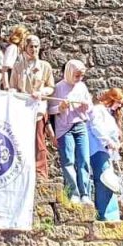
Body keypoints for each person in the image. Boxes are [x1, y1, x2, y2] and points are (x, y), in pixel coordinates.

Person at [10, 34, 55, 177]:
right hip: (22, 109)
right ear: (25, 47)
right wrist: (14, 93)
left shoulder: (45, 66)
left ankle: (40, 174)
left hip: (38, 109)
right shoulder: (18, 66)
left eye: (36, 46)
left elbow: (51, 87)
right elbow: (12, 86)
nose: (34, 49)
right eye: (31, 46)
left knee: (38, 141)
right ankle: (22, 172)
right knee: (21, 140)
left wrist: (41, 92)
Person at [86, 88, 123, 221]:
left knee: (108, 180)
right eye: (118, 102)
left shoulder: (108, 114)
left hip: (106, 152)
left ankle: (110, 214)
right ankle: (105, 214)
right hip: (98, 149)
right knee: (104, 180)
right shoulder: (98, 110)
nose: (119, 106)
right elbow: (96, 127)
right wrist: (109, 142)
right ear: (111, 99)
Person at [51, 60, 93, 205]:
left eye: (82, 76)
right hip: (64, 128)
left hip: (80, 125)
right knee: (68, 160)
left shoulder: (82, 86)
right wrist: (60, 107)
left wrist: (85, 106)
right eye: (77, 75)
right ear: (69, 72)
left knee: (84, 159)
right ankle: (73, 193)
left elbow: (90, 107)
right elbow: (50, 109)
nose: (79, 78)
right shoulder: (58, 87)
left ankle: (85, 194)